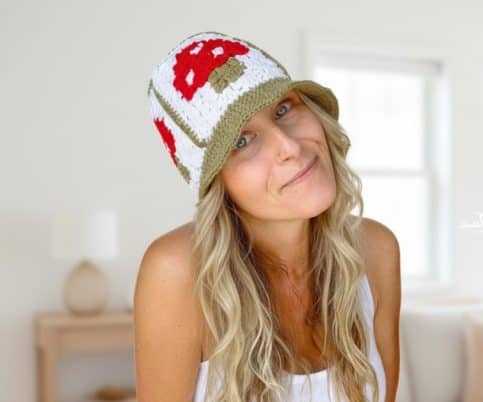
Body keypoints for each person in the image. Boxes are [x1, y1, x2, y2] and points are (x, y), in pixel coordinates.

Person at [133, 31, 401, 402]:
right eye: (243, 141)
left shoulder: (376, 250)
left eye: (284, 109)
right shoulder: (177, 271)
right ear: (218, 183)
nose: (289, 147)